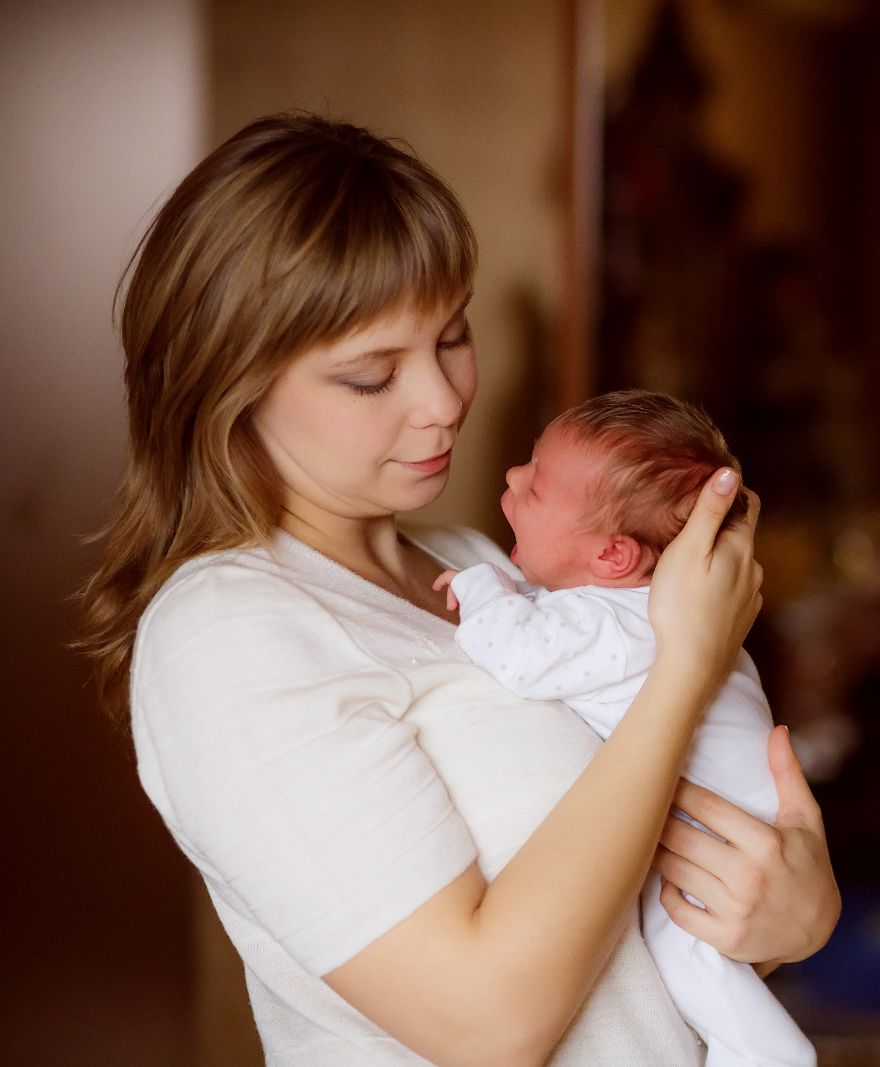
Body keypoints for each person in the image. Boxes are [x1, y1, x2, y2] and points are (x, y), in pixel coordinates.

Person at [76, 113, 839, 1065]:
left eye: (452, 335)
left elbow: (623, 954)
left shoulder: (469, 559)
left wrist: (790, 918)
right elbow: (489, 1025)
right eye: (370, 375)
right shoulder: (226, 633)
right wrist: (686, 664)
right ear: (228, 385)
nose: (442, 401)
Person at [435, 389, 815, 1067]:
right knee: (697, 969)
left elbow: (517, 655)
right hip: (735, 821)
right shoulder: (641, 610)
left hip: (721, 836)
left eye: (536, 483)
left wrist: (483, 586)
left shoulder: (617, 622)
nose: (512, 479)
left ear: (612, 558)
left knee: (691, 958)